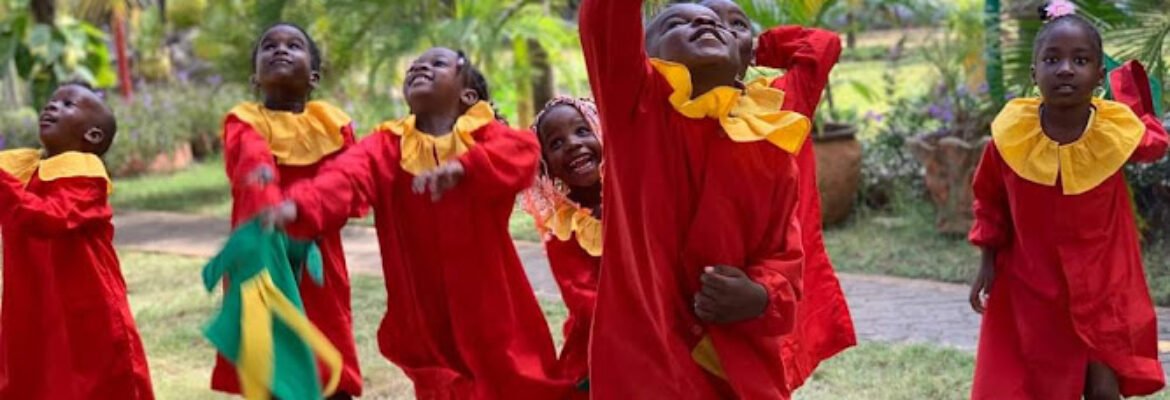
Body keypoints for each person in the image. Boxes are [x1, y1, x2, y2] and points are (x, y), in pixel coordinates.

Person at [271, 47, 570, 399]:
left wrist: (465, 166)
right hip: (424, 320)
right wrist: (301, 206)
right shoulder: (386, 146)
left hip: (495, 314)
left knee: (517, 384)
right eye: (414, 66)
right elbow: (345, 177)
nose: (419, 68)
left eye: (437, 64)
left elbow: (523, 153)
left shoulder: (486, 136)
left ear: (467, 95)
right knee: (441, 386)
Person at [580, 1, 816, 398]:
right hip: (647, 363)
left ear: (742, 63)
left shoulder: (770, 149)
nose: (705, 22)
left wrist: (759, 294)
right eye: (677, 23)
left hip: (736, 367)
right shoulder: (637, 108)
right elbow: (604, 21)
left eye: (719, 25)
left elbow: (784, 254)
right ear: (645, 55)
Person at [967, 2, 1168, 398]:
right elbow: (989, 199)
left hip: (1105, 282)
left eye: (1080, 60)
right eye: (1052, 58)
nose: (1065, 69)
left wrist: (1129, 93)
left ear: (1097, 75)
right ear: (1034, 72)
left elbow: (1154, 145)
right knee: (1042, 381)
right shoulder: (1011, 137)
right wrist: (987, 262)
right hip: (1033, 284)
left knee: (1103, 387)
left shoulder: (1112, 131)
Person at [702, 0, 857, 391]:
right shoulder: (671, 110)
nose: (721, 30)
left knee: (770, 365)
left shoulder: (780, 98)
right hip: (706, 267)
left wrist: (756, 47)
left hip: (780, 261)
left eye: (736, 24)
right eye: (705, 25)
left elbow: (824, 43)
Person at [211, 22, 366, 399]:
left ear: (313, 76)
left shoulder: (332, 124)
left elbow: (347, 182)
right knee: (269, 342)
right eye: (269, 46)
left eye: (294, 45)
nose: (280, 50)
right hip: (262, 251)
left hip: (318, 253)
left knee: (325, 331)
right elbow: (251, 160)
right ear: (255, 77)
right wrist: (267, 193)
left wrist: (309, 211)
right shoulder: (244, 122)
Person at [0, 82, 154, 399]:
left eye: (68, 104)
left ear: (92, 136)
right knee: (38, 375)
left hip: (86, 305)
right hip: (35, 304)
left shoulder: (85, 174)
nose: (52, 106)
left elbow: (47, 218)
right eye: (51, 100)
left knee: (97, 379)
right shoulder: (24, 171)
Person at [520, 97, 604, 395]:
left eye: (582, 131)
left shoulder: (638, 199)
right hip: (599, 347)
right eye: (555, 144)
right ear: (547, 168)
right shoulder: (563, 227)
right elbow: (584, 301)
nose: (571, 144)